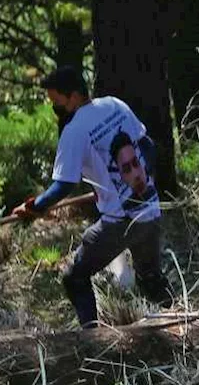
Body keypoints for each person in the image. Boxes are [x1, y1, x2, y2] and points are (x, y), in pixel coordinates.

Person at [12, 65, 172, 328]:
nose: (55, 108)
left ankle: (93, 342)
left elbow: (63, 185)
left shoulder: (74, 130)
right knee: (150, 277)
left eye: (57, 101)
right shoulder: (114, 105)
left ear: (73, 96)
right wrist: (144, 181)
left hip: (120, 222)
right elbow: (147, 146)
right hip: (151, 211)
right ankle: (180, 327)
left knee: (74, 277)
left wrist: (34, 207)